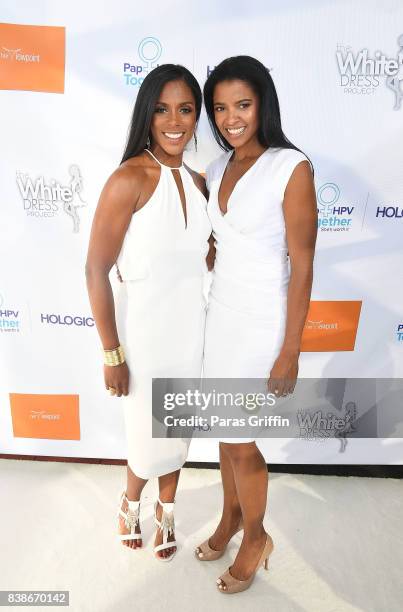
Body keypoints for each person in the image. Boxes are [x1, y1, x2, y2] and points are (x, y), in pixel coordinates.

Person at [194, 56, 317, 593]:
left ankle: (257, 536)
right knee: (224, 435)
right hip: (219, 314)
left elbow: (304, 264)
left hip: (262, 322)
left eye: (241, 104)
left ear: (262, 102)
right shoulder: (218, 167)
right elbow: (222, 242)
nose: (230, 118)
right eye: (219, 108)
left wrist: (290, 349)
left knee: (242, 441)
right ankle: (230, 518)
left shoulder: (291, 167)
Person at [85, 64, 211, 561]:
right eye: (162, 109)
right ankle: (129, 502)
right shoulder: (128, 179)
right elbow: (96, 271)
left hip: (190, 334)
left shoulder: (201, 182)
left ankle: (168, 510)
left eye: (185, 109)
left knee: (177, 434)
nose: (175, 121)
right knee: (145, 436)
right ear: (147, 114)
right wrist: (111, 352)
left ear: (198, 115)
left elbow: (203, 256)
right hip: (143, 338)